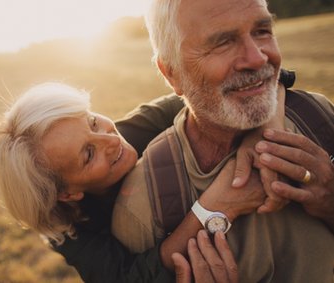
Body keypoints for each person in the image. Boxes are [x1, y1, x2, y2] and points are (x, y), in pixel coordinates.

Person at [111, 0, 334, 282]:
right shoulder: (143, 208)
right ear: (171, 72)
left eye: (262, 30)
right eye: (222, 43)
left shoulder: (318, 117)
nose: (257, 58)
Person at [0, 80, 288, 282]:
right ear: (67, 193)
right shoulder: (69, 230)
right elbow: (128, 279)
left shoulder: (130, 129)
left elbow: (249, 81)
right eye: (88, 154)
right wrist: (212, 209)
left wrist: (264, 138)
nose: (110, 138)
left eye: (92, 121)